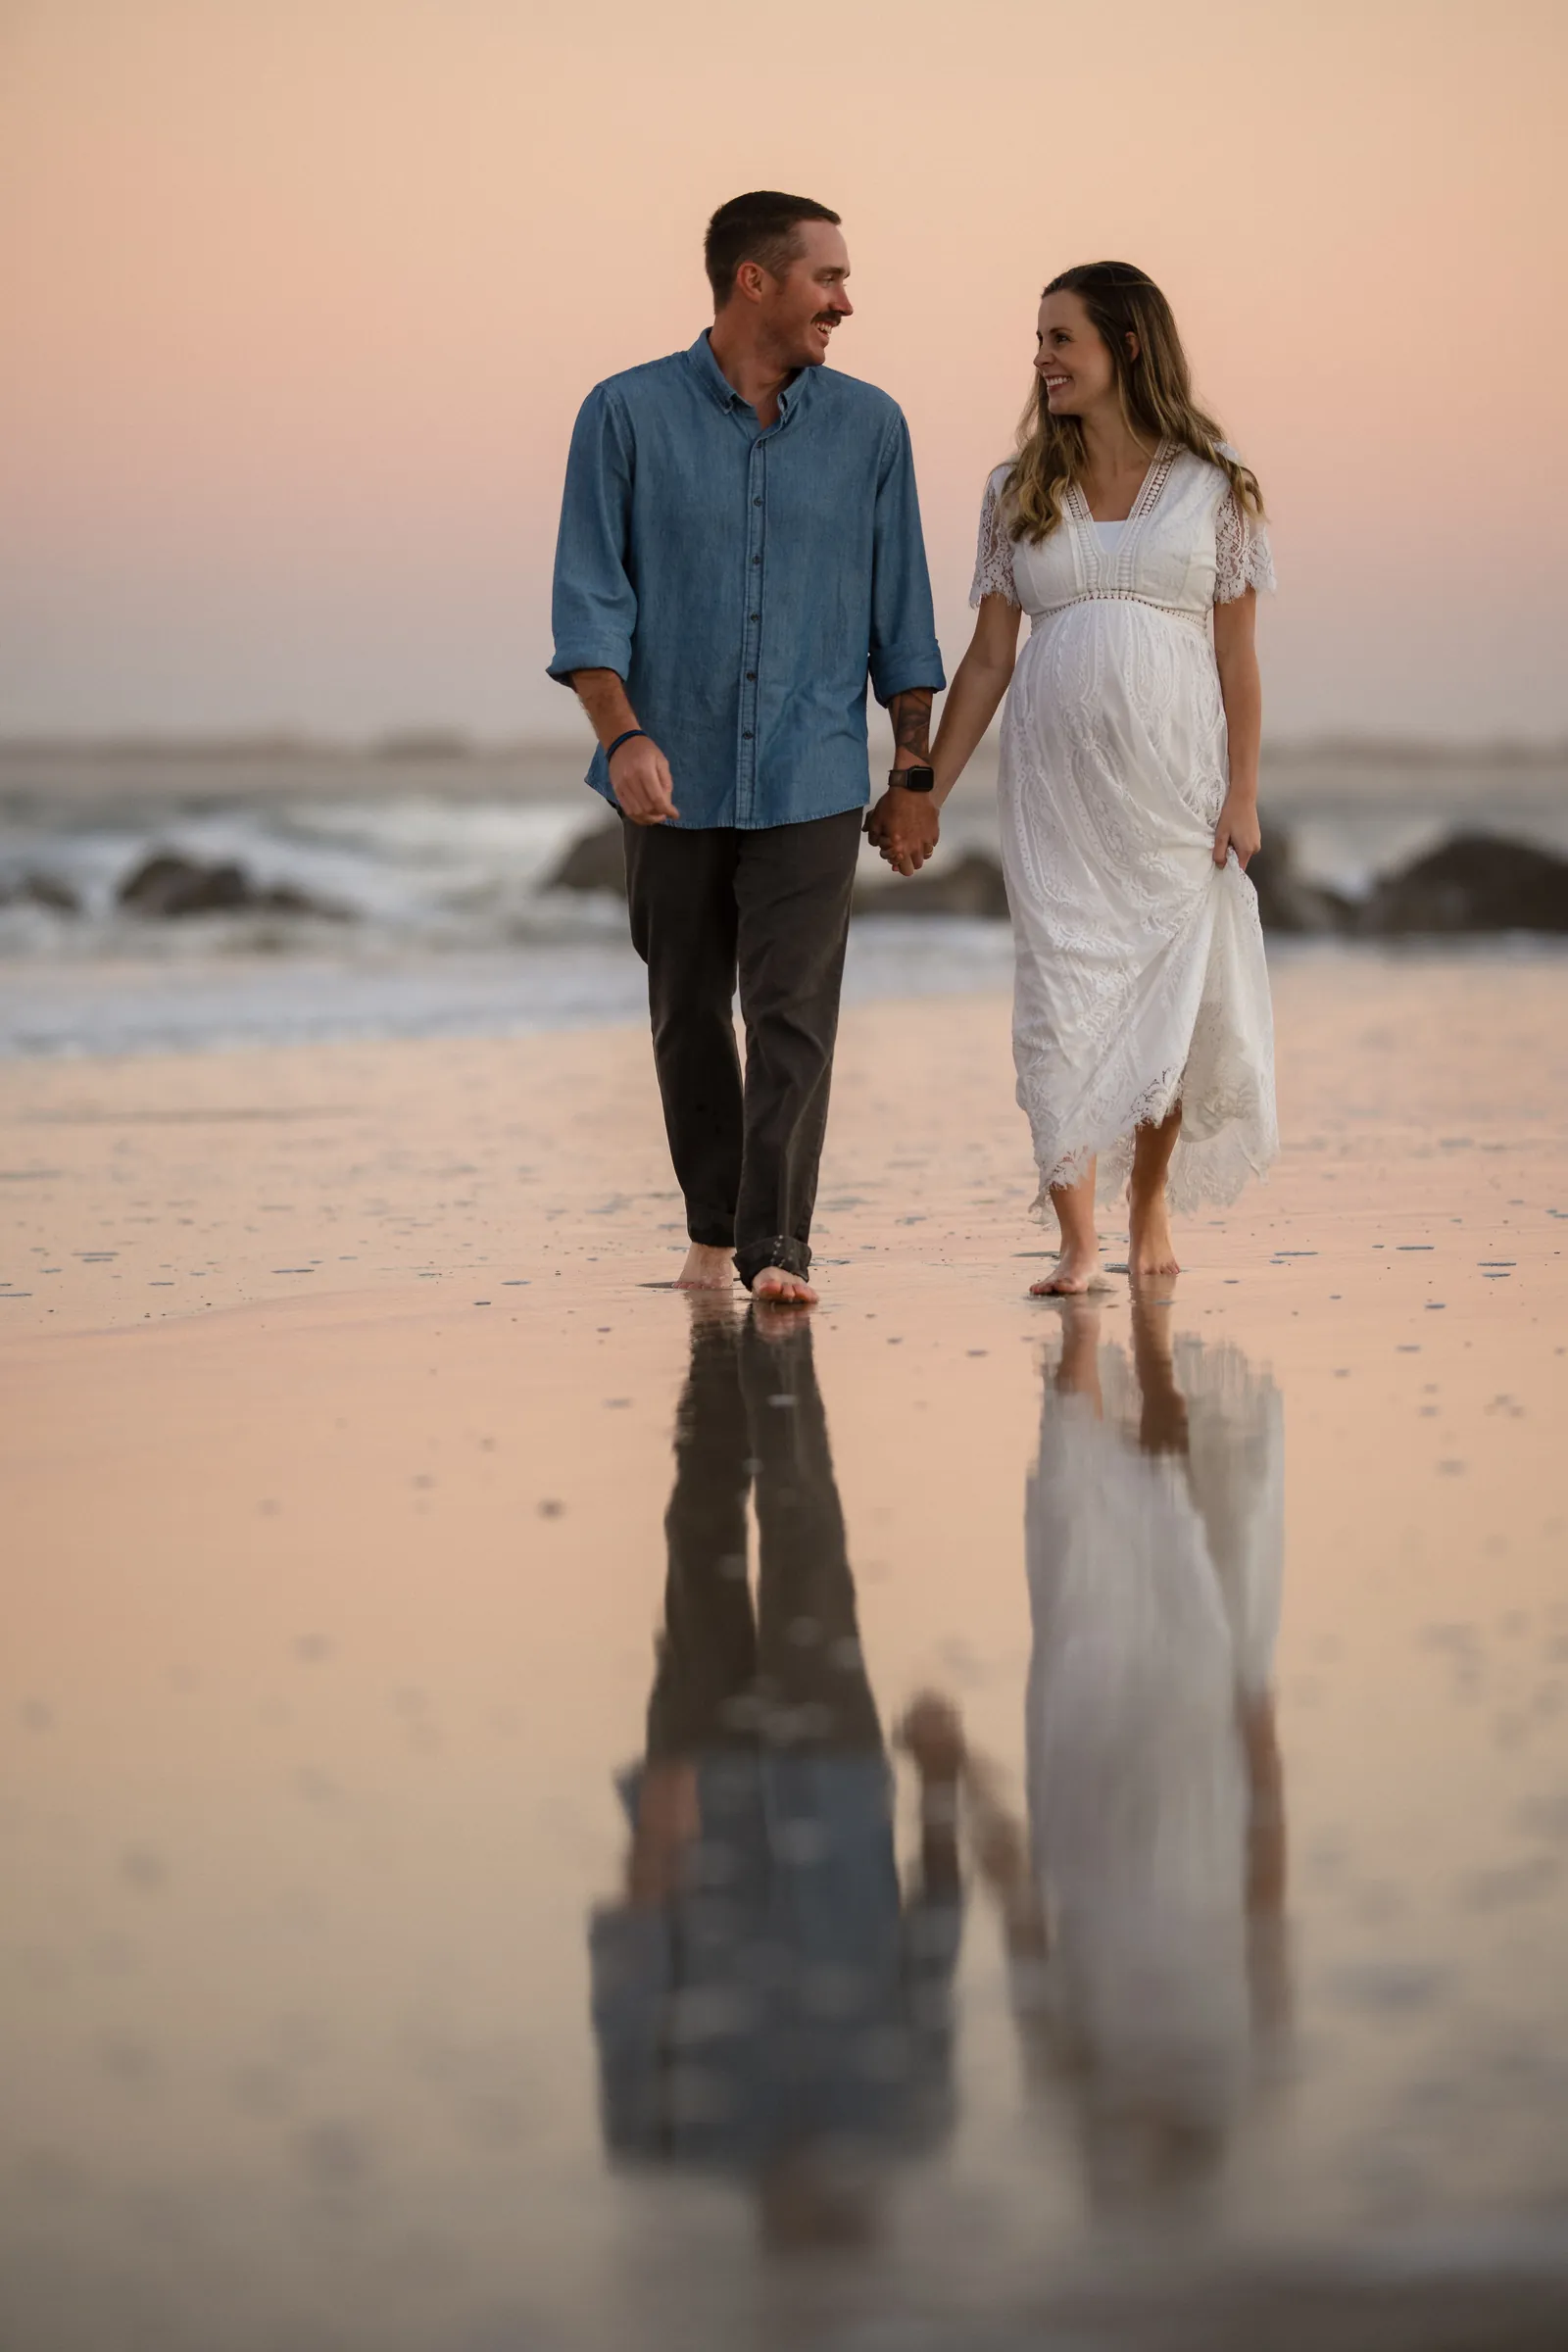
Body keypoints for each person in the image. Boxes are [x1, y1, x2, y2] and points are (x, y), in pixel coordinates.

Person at [549, 192, 946, 1304]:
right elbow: (588, 601)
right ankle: (714, 1229)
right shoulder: (622, 415)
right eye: (829, 279)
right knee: (685, 1008)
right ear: (754, 282)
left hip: (812, 769)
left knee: (792, 1015)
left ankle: (778, 1249)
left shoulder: (873, 428)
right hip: (666, 774)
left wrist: (911, 774)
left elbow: (902, 621)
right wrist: (620, 736)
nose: (847, 302)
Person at [878, 262, 1278, 1292]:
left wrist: (1241, 791)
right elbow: (986, 661)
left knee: (1168, 997)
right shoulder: (1018, 490)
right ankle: (1076, 1242)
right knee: (1058, 999)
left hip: (1172, 790)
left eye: (1062, 338)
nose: (1041, 358)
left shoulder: (1211, 482)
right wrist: (923, 787)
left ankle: (1145, 1210)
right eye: (1040, 339)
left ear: (1125, 347)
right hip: (1054, 797)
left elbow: (1236, 656)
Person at [587, 1298, 968, 2246]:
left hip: (702, 1824)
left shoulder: (667, 2144)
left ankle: (735, 1356)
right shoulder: (908, 2120)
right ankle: (758, 1347)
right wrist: (941, 1785)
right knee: (802, 1524)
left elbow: (628, 2003)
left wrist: (647, 1861)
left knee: (702, 1538)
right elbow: (934, 1944)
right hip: (836, 1783)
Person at [984, 1292, 1291, 2212]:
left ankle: (1101, 1373)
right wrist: (1258, 1719)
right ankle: (1118, 1370)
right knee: (1114, 1549)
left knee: (1099, 1543)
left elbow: (1026, 1919)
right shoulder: (1244, 2041)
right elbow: (1265, 1891)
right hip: (1148, 1774)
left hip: (1112, 1784)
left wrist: (959, 1781)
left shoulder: (1073, 2069)